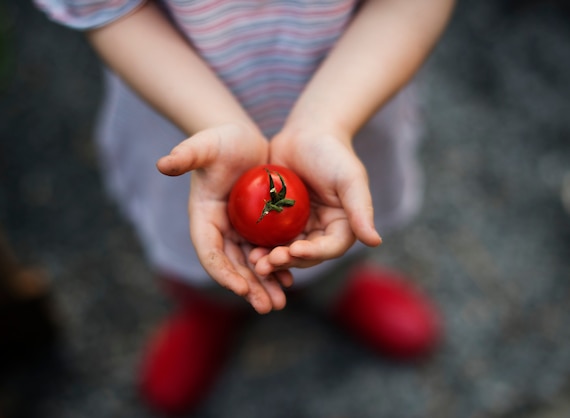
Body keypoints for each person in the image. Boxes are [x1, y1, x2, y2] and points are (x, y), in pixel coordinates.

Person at [34, 0, 455, 415]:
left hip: (354, 97)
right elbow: (107, 10)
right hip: (178, 112)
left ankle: (338, 288)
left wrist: (327, 121)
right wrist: (216, 121)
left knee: (341, 224)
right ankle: (211, 312)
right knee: (200, 250)